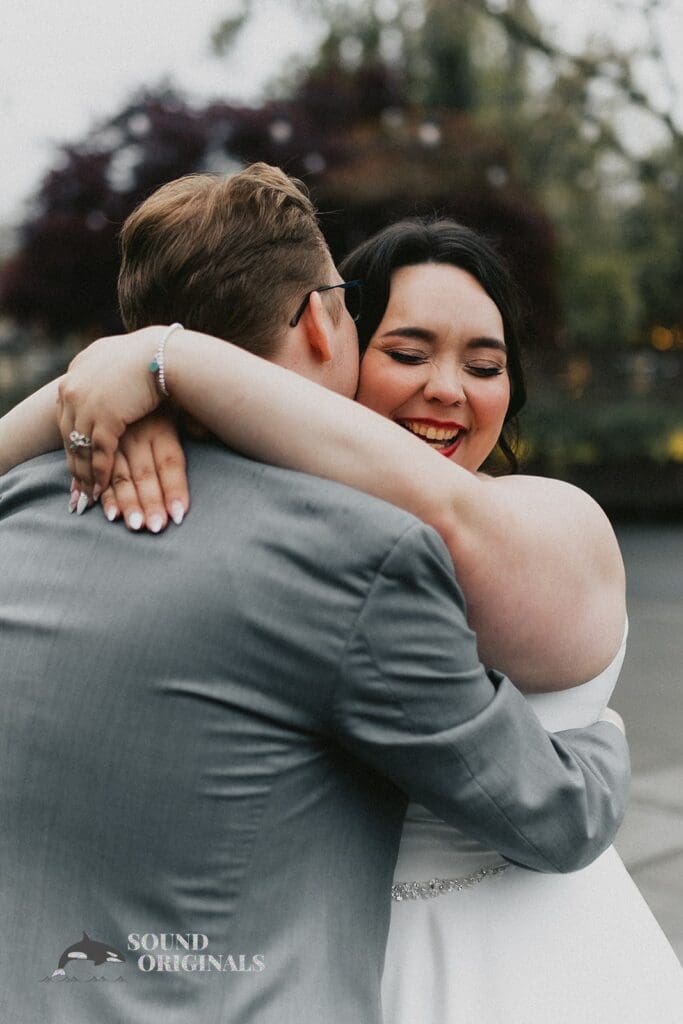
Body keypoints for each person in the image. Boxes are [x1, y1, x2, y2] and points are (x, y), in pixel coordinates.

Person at [18, 194, 682, 1020]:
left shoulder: (545, 519)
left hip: (533, 963)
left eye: (485, 366)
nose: (447, 389)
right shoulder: (320, 545)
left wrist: (162, 358)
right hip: (320, 964)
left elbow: (450, 519)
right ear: (335, 340)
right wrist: (131, 383)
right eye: (405, 353)